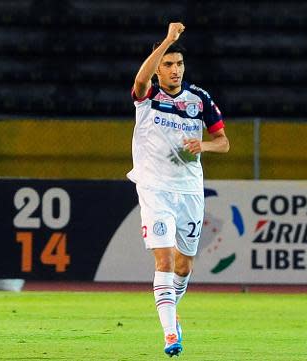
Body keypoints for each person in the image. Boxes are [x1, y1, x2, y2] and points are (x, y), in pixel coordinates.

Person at [128, 22, 229, 357]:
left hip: (189, 192)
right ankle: (171, 334)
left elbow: (223, 142)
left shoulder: (199, 99)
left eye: (179, 64)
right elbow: (140, 81)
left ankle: (171, 309)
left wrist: (204, 146)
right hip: (154, 188)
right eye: (168, 64)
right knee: (165, 257)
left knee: (184, 266)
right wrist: (169, 40)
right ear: (158, 68)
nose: (175, 70)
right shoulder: (149, 97)